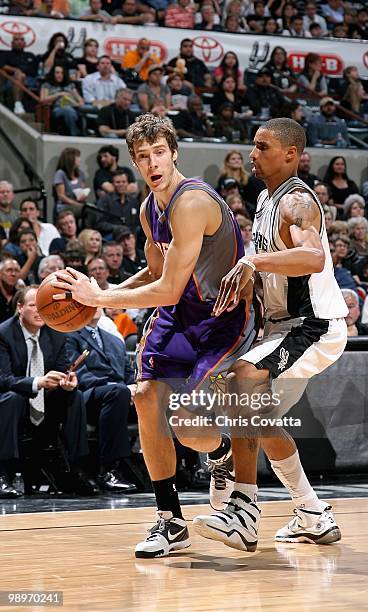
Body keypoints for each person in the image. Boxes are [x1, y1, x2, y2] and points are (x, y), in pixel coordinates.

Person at [51, 113, 256, 558]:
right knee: (144, 397)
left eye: (159, 152)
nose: (152, 163)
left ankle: (219, 453)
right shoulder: (149, 209)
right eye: (142, 157)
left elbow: (168, 287)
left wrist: (100, 299)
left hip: (221, 321)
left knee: (187, 425)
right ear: (134, 162)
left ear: (174, 152)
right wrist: (105, 293)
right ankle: (169, 520)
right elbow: (158, 272)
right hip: (178, 315)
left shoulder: (192, 202)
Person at [192, 118, 348, 552]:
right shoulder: (264, 198)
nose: (252, 154)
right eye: (252, 146)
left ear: (291, 154)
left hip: (313, 325)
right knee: (250, 411)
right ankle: (312, 513)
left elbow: (313, 258)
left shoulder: (297, 200)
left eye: (262, 147)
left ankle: (244, 510)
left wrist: (253, 264)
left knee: (243, 379)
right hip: (283, 326)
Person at [0, 286, 98, 498]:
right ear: (19, 308)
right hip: (14, 400)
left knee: (75, 395)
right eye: (34, 305)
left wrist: (67, 381)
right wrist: (37, 382)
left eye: (44, 306)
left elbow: (64, 369)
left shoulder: (57, 332)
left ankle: (76, 468)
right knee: (12, 399)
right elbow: (3, 379)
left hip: (46, 401)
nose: (40, 310)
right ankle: (4, 474)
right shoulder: (3, 334)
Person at [66, 308, 139, 493]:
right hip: (87, 396)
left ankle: (176, 468)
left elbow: (128, 373)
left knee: (161, 394)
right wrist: (119, 387)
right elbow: (79, 374)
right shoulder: (69, 336)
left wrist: (136, 388)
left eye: (98, 303)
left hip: (119, 395)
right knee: (118, 391)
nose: (95, 306)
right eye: (90, 302)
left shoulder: (114, 339)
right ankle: (109, 470)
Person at [40, 64, 84, 136]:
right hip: (57, 108)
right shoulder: (46, 85)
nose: (60, 75)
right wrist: (59, 94)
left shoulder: (70, 85)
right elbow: (43, 100)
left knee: (80, 110)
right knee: (67, 109)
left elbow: (80, 100)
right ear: (53, 74)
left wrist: (78, 104)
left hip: (73, 106)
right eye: (57, 72)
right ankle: (75, 133)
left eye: (62, 73)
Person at [0, 33, 38, 115]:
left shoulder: (30, 55)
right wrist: (16, 70)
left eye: (22, 40)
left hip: (29, 81)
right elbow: (2, 66)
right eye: (16, 39)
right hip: (10, 81)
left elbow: (35, 71)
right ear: (12, 43)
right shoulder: (5, 54)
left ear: (25, 43)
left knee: (23, 76)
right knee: (19, 75)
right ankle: (17, 104)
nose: (19, 42)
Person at [96, 170, 141, 237]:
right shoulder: (104, 200)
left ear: (127, 183)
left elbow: (138, 222)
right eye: (118, 182)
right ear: (112, 184)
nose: (121, 184)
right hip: (111, 236)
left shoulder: (133, 201)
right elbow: (100, 223)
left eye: (123, 182)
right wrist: (118, 228)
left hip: (132, 236)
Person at [53, 148, 88, 219]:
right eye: (77, 157)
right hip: (64, 206)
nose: (80, 160)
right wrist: (76, 204)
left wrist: (83, 196)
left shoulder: (81, 174)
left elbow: (82, 189)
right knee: (87, 211)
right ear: (70, 159)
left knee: (93, 210)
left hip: (78, 204)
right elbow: (61, 196)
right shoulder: (60, 174)